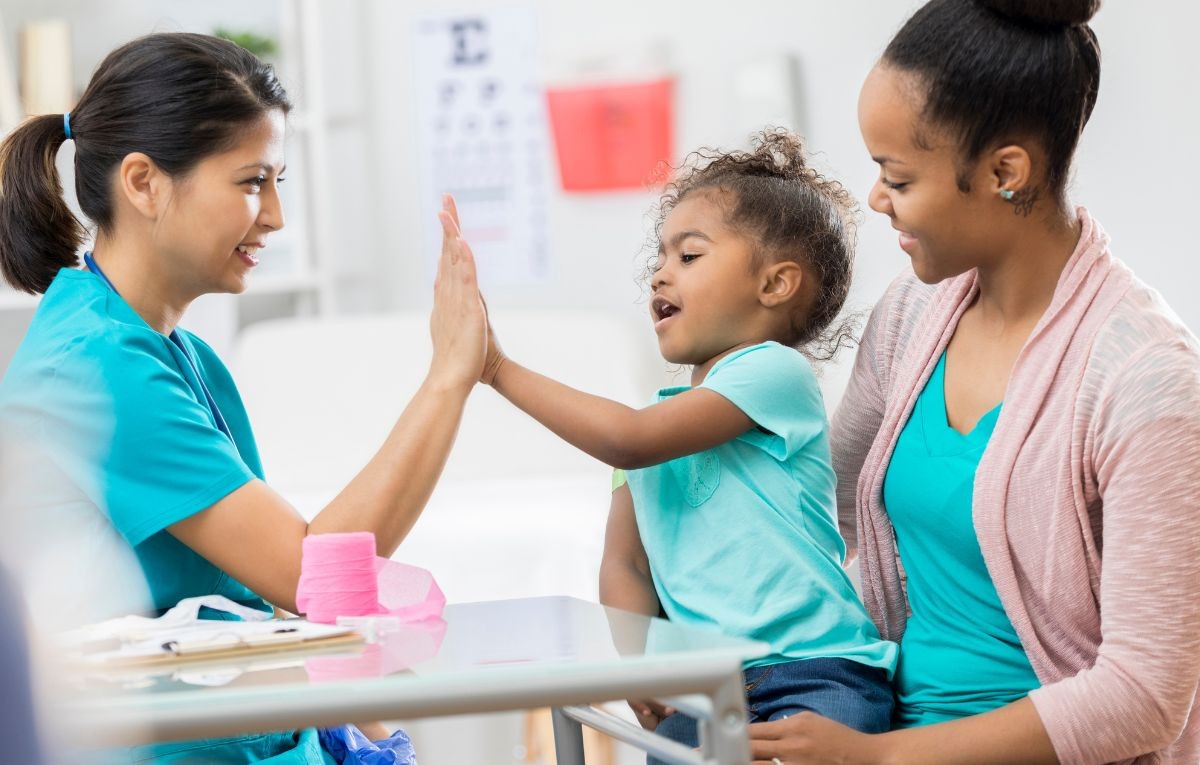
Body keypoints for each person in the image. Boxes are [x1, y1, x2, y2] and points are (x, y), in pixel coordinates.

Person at [0, 33, 487, 762]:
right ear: (143, 183)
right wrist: (450, 376)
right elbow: (310, 573)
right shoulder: (93, 367)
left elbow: (270, 595)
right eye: (252, 181)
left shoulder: (181, 356)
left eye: (278, 181)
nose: (275, 216)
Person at [748, 1, 1200, 763]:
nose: (876, 199)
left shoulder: (1146, 380)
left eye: (898, 176)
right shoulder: (910, 318)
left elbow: (1146, 696)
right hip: (881, 724)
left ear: (1004, 173)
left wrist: (882, 757)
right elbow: (821, 517)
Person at [446, 129, 898, 760]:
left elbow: (626, 440)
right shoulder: (650, 433)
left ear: (776, 285)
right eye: (659, 257)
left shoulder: (775, 374)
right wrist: (643, 667)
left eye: (689, 256)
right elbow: (625, 565)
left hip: (814, 669)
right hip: (703, 687)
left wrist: (495, 367)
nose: (659, 273)